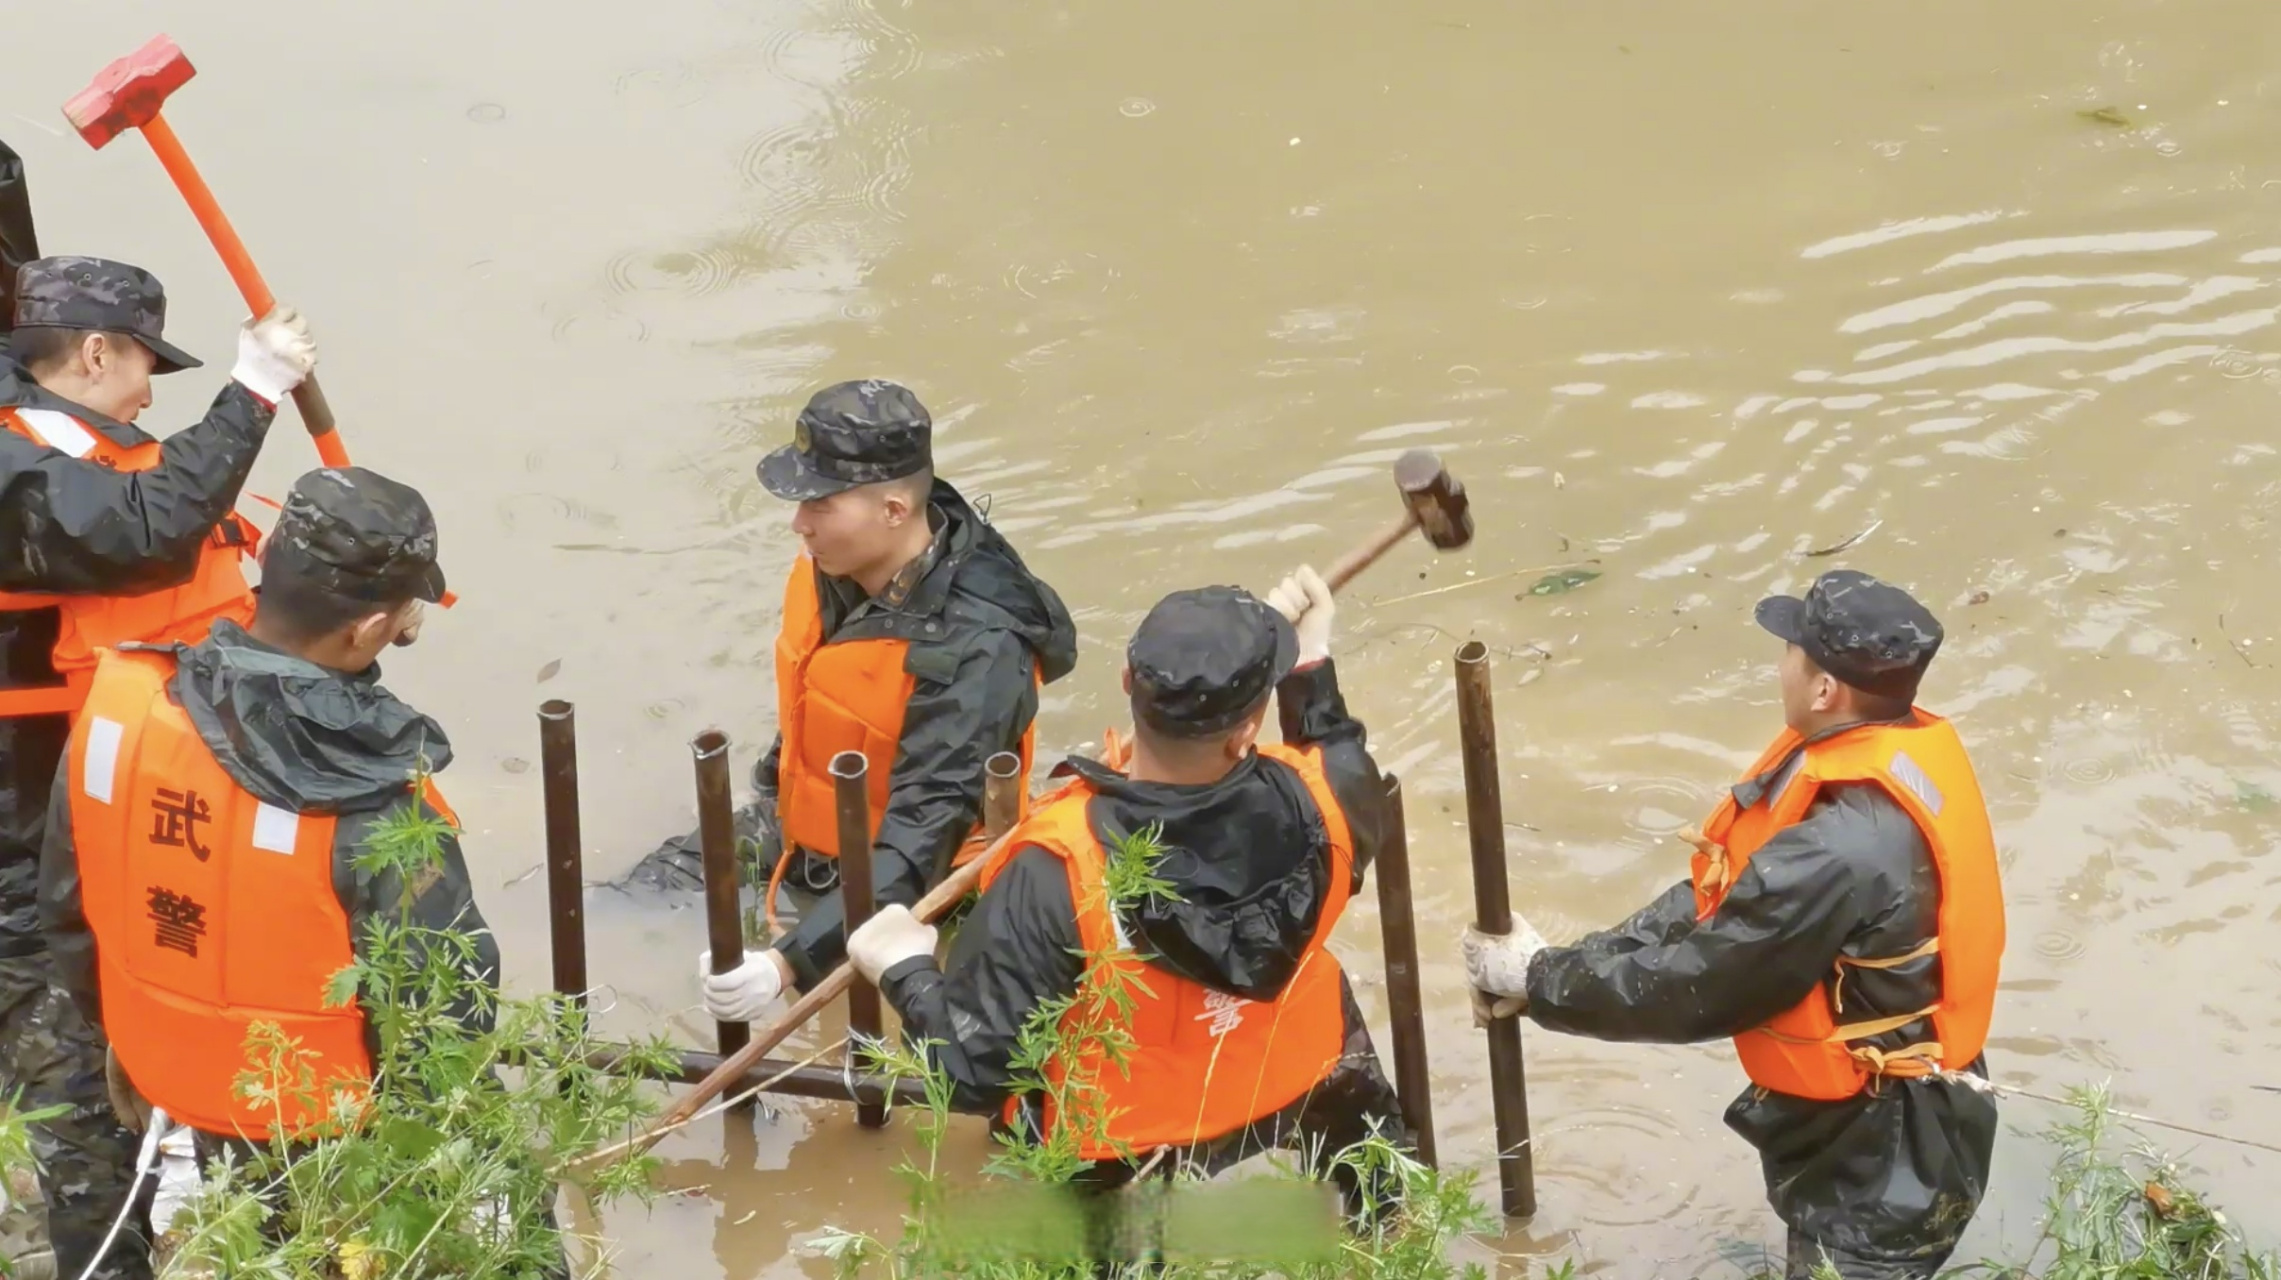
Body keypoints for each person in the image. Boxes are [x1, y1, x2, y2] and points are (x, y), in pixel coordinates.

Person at [1462, 569, 2004, 1280]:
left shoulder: (1837, 847)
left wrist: (1541, 982)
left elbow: (1702, 983)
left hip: (1883, 1168)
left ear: (1823, 691)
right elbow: (1721, 895)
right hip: (1895, 1123)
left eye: (1790, 652)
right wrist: (1558, 964)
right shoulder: (1870, 757)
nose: (1779, 664)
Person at [844, 569, 1412, 1230]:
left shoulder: (1054, 866)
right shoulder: (1333, 798)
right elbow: (1338, 750)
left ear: (1124, 683)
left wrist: (905, 968)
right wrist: (1309, 665)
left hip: (1121, 1138)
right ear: (1248, 727)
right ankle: (1383, 1224)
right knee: (1380, 1220)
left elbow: (973, 1069)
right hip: (1303, 1072)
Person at [0, 255, 315, 1280]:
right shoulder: (16, 470)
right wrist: (253, 388)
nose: (146, 395)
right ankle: (110, 1264)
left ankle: (254, 1231)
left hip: (107, 814)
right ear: (94, 351)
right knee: (77, 1089)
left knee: (196, 1028)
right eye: (142, 365)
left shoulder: (54, 440)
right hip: (30, 852)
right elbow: (142, 531)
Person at [669, 379, 1076, 1012]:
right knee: (633, 895)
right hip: (799, 839)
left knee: (861, 1041)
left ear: (893, 510)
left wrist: (786, 963)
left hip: (918, 885)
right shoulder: (837, 559)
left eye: (821, 504)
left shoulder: (980, 651)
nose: (798, 524)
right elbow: (822, 696)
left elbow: (920, 842)